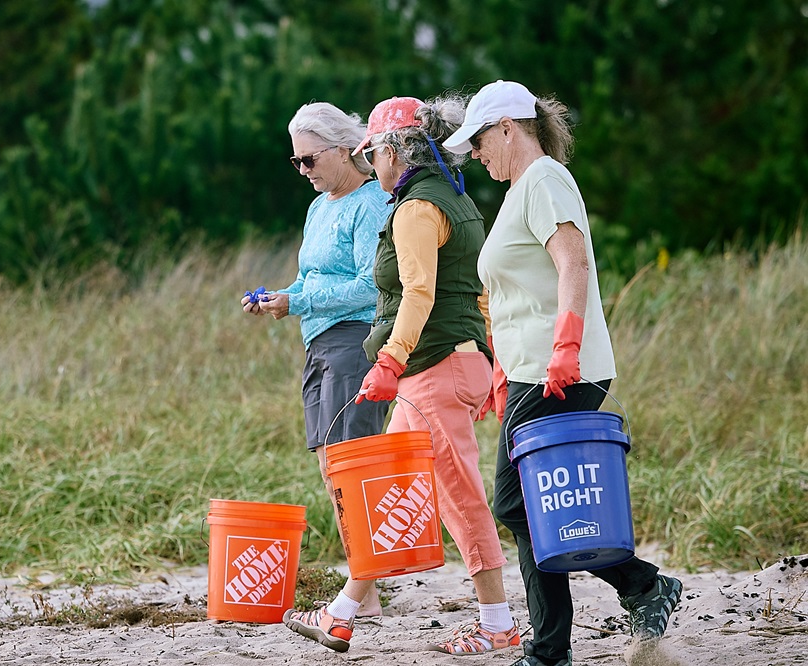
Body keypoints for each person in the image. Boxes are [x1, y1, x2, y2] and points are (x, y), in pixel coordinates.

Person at [442, 80, 683, 666]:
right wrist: (503, 373)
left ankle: (635, 591)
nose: (475, 154)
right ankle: (561, 642)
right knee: (528, 506)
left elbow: (572, 261)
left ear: (506, 128)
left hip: (562, 370)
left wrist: (566, 346)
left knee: (515, 503)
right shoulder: (522, 189)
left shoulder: (545, 179)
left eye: (478, 141)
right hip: (531, 370)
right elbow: (515, 293)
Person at [282, 95, 518, 656]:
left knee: (459, 499)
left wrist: (389, 361)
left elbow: (419, 293)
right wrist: (484, 359)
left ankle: (498, 622)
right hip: (453, 361)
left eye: (374, 153)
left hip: (431, 368)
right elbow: (476, 290)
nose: (374, 166)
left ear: (395, 151)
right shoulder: (459, 201)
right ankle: (343, 612)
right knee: (392, 497)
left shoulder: (414, 209)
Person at [241, 101, 390, 617]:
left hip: (355, 340)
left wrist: (298, 301)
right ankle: (365, 587)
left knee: (352, 464)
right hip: (318, 342)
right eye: (296, 162)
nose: (303, 171)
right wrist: (278, 299)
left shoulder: (371, 203)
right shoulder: (318, 207)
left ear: (344, 150)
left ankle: (363, 588)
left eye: (309, 160)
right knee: (331, 466)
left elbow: (370, 286)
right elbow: (309, 282)